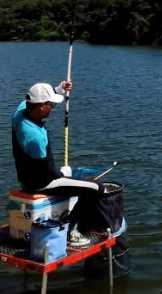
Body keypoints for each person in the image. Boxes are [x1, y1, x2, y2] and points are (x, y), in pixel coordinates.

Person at [12, 80, 101, 246]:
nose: (52, 108)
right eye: (50, 105)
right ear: (40, 107)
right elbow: (47, 173)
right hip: (41, 183)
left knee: (78, 181)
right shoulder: (34, 137)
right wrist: (64, 174)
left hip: (25, 177)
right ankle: (71, 232)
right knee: (95, 189)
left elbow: (32, 99)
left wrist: (59, 90)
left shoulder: (20, 112)